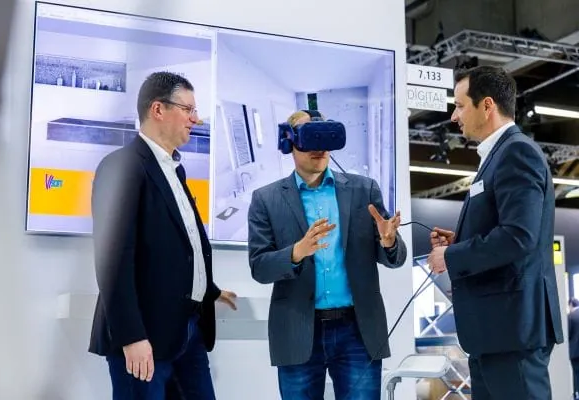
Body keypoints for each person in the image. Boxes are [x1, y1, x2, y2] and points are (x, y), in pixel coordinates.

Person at [88, 71, 237, 400]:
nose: (195, 119)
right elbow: (113, 260)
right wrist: (132, 336)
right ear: (158, 109)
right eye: (188, 109)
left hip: (187, 331)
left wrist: (209, 289)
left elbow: (177, 244)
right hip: (145, 337)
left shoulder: (173, 169)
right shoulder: (122, 167)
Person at [247, 110, 407, 399]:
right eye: (310, 138)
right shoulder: (266, 199)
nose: (319, 147)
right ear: (289, 143)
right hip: (298, 330)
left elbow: (396, 256)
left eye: (324, 137)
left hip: (357, 331)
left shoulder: (364, 190)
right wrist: (296, 253)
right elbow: (259, 267)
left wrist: (389, 242)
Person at [427, 65, 564, 400]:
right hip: (495, 332)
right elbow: (506, 229)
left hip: (512, 330)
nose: (454, 117)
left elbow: (519, 236)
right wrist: (460, 242)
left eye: (460, 106)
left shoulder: (516, 152)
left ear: (487, 105)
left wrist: (452, 256)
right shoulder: (498, 155)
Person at [569, 298, 579, 399]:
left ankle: (577, 394)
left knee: (576, 374)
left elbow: (568, 334)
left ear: (571, 304)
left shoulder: (571, 316)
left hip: (575, 352)